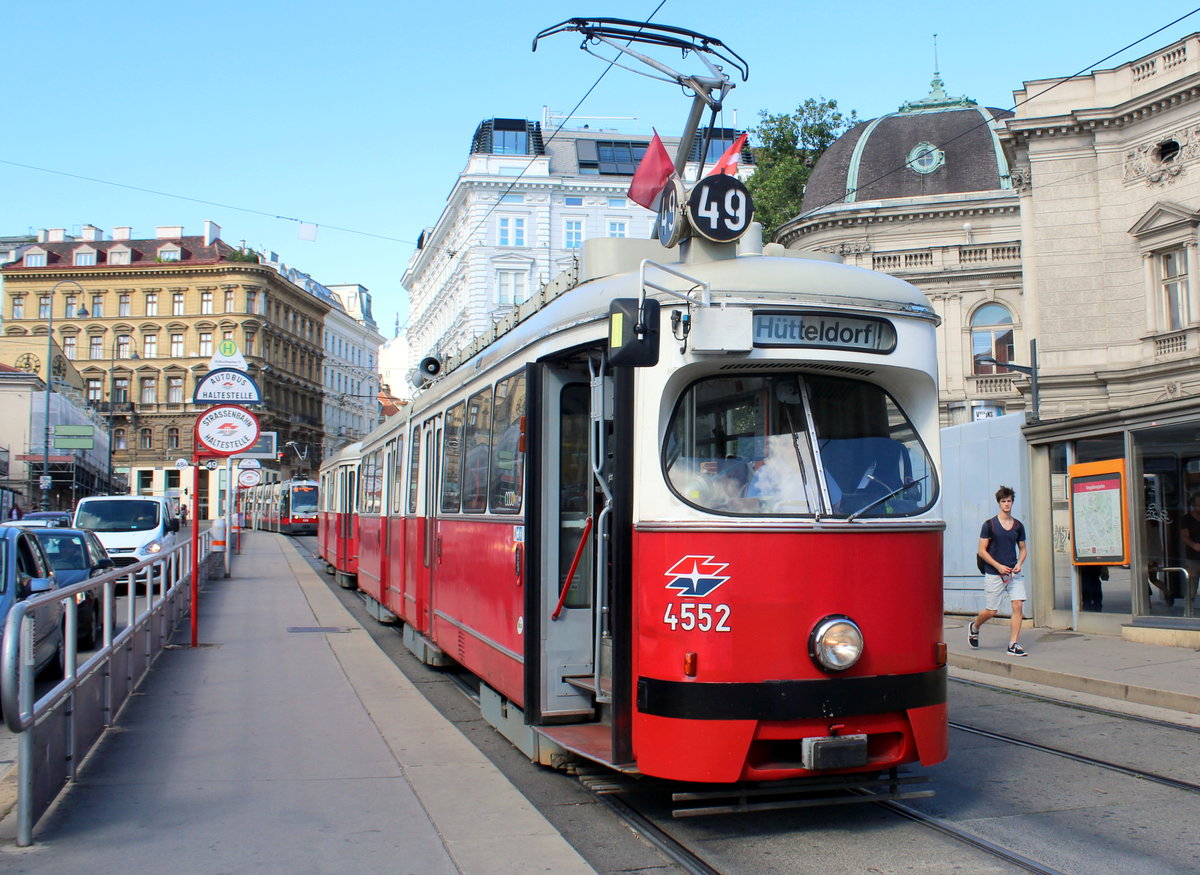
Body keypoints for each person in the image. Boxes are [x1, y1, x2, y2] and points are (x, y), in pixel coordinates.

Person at [968, 485, 1029, 656]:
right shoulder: (989, 525)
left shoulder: (1018, 526)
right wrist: (998, 566)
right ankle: (975, 626)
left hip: (1013, 574)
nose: (1007, 504)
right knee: (991, 611)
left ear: (1012, 502)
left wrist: (1020, 562)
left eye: (1009, 501)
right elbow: (982, 550)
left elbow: (1023, 548)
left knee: (1018, 605)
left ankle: (1013, 644)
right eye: (1004, 501)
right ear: (999, 503)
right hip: (994, 574)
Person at [1179, 492, 1200, 608]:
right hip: (1193, 557)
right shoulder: (1187, 519)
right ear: (1193, 505)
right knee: (1192, 586)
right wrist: (1193, 545)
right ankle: (1188, 609)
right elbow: (1184, 536)